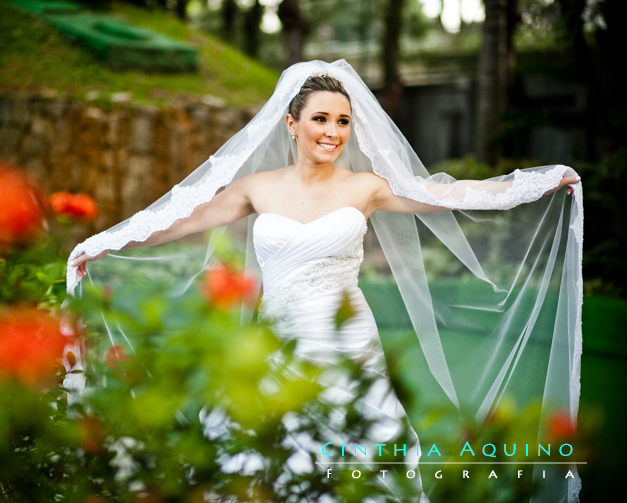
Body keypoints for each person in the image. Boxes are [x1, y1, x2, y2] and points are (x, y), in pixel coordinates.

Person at [67, 60, 583, 502]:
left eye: (342, 121)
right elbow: (179, 222)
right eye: (320, 119)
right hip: (275, 345)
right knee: (258, 458)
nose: (333, 131)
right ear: (292, 124)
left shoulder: (368, 187)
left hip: (347, 345)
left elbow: (450, 194)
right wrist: (106, 243)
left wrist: (535, 183)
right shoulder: (255, 188)